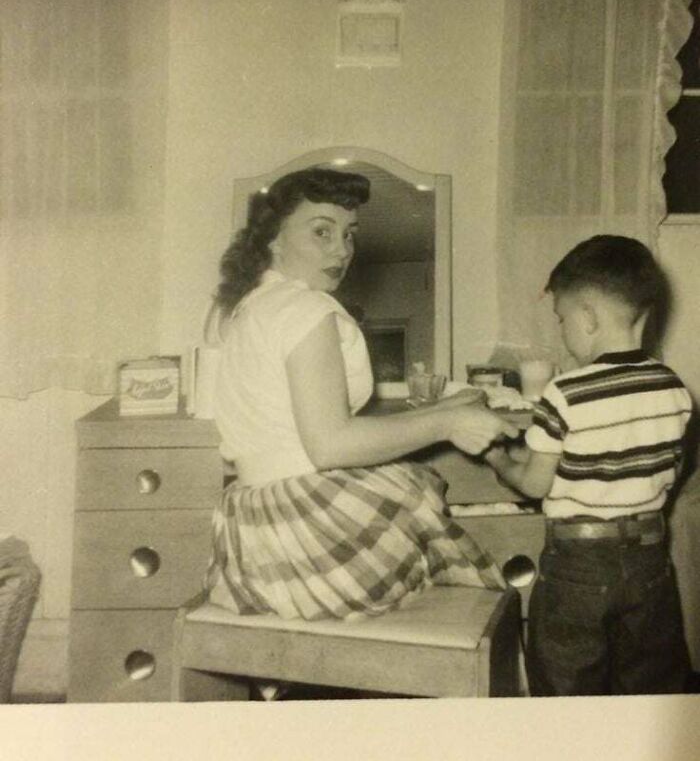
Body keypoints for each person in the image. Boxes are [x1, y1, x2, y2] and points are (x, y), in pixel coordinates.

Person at [204, 166, 518, 622]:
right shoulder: (305, 309)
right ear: (273, 238)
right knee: (465, 569)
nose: (341, 250)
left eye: (349, 234)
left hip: (256, 534)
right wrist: (446, 422)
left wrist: (448, 405)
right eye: (321, 232)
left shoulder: (250, 308)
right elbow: (331, 445)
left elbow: (289, 430)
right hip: (305, 532)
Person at [484, 234, 692, 695]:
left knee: (566, 684)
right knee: (650, 685)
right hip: (649, 559)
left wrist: (500, 459)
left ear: (588, 318)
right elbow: (663, 471)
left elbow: (537, 484)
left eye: (561, 319)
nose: (562, 332)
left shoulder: (566, 392)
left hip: (578, 565)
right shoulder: (673, 388)